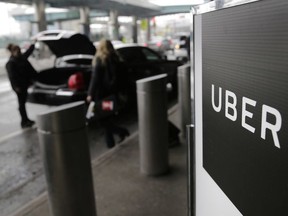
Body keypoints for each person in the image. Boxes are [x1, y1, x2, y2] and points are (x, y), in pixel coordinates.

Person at [86, 39, 129, 148]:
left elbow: (95, 78)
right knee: (106, 118)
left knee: (102, 120)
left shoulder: (100, 60)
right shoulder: (116, 58)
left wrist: (90, 93)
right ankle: (111, 144)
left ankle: (121, 132)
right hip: (112, 95)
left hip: (101, 95)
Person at [5, 43, 38, 128]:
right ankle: (24, 121)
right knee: (21, 104)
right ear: (12, 52)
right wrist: (16, 87)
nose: (19, 52)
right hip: (19, 87)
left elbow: (28, 52)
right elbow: (12, 77)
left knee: (23, 103)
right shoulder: (11, 63)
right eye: (17, 50)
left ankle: (26, 120)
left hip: (24, 84)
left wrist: (33, 44)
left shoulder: (20, 58)